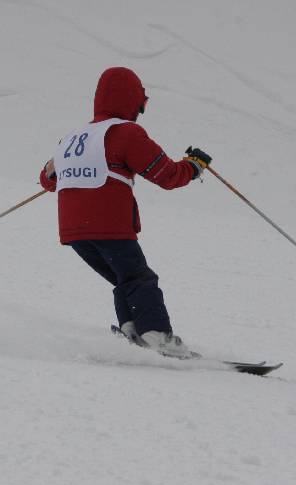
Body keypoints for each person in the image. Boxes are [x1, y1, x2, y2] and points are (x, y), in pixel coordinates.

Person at [38, 66, 211, 359]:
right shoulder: (127, 133)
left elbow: (47, 180)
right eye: (141, 105)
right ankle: (158, 336)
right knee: (140, 278)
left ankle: (132, 330)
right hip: (108, 225)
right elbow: (166, 175)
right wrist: (194, 166)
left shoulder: (73, 138)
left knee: (125, 278)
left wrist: (64, 168)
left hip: (74, 232)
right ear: (132, 100)